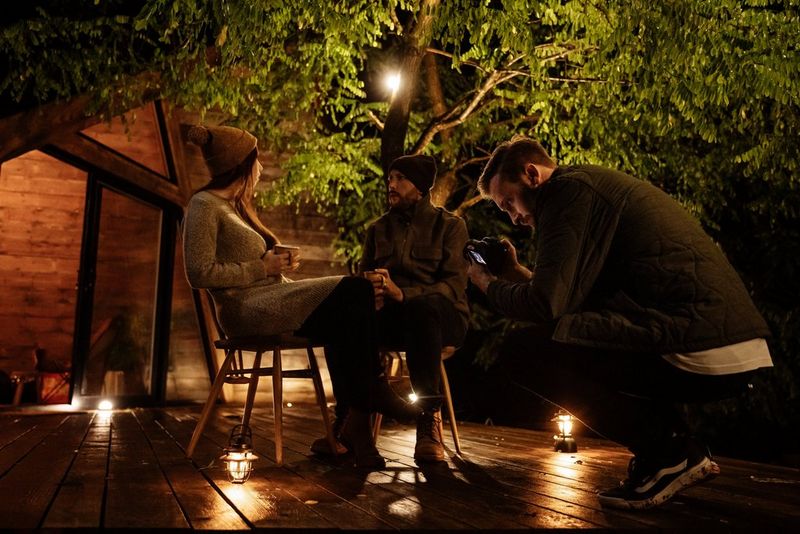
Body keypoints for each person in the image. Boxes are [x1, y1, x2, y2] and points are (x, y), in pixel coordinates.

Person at [468, 136, 773, 510]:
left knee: (522, 352)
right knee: (578, 336)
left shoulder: (564, 193)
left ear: (532, 174)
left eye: (509, 202)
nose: (513, 217)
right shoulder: (586, 189)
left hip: (694, 338)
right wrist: (514, 273)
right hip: (718, 336)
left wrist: (486, 284)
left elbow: (545, 306)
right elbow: (563, 301)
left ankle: (667, 452)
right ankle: (671, 449)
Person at [182, 124, 414, 468]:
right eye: (257, 160)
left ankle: (354, 430)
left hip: (267, 299)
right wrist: (262, 267)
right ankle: (374, 391)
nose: (260, 168)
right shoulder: (204, 204)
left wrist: (278, 268)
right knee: (356, 289)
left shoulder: (235, 208)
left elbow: (258, 268)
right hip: (243, 310)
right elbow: (198, 272)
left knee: (347, 314)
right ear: (243, 164)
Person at [313, 154, 470, 464]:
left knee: (423, 308)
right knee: (341, 319)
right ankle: (352, 415)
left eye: (400, 178)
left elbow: (453, 286)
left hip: (443, 318)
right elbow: (363, 276)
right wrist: (369, 291)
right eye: (390, 179)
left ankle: (427, 417)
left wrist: (403, 293)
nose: (391, 185)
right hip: (395, 319)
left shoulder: (450, 226)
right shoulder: (378, 229)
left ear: (421, 186)